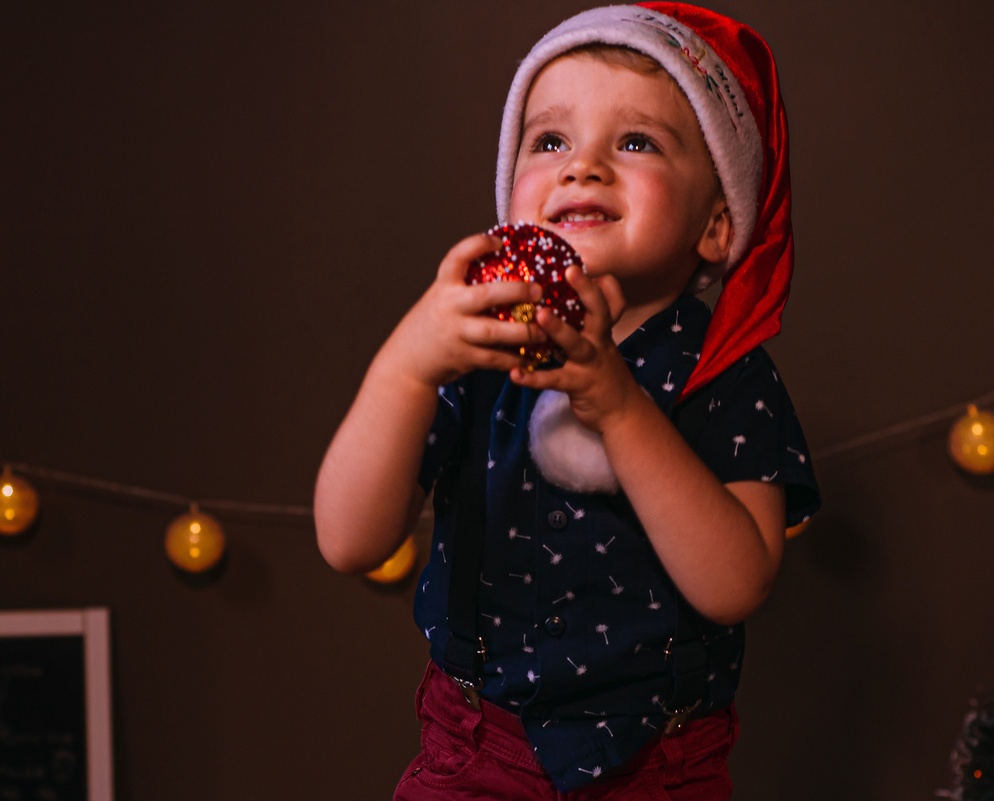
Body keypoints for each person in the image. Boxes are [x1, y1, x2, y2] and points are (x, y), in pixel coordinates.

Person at [314, 4, 820, 798]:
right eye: (549, 140)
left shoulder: (728, 370)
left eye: (636, 142)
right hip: (476, 748)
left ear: (718, 225)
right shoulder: (475, 345)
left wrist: (619, 406)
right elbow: (349, 540)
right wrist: (405, 367)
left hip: (663, 764)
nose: (582, 167)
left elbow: (736, 584)